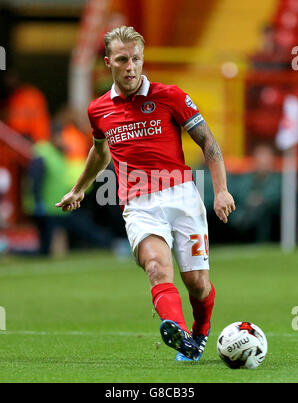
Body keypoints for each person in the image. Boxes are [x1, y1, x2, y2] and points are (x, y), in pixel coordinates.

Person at [56, 26, 235, 361]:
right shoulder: (99, 110)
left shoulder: (170, 96)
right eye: (122, 60)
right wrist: (78, 189)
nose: (131, 66)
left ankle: (200, 330)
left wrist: (221, 190)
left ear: (142, 59)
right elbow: (100, 151)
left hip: (182, 197)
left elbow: (208, 142)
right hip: (138, 204)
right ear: (109, 62)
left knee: (197, 282)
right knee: (155, 265)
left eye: (136, 59)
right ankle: (178, 332)